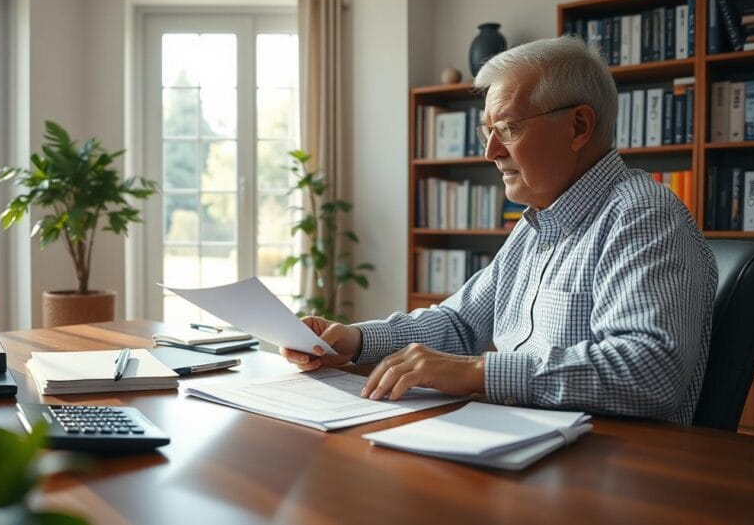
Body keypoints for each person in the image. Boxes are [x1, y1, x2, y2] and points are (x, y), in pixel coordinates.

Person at [282, 35, 717, 424]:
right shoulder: (536, 226)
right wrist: (357, 340)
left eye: (507, 128)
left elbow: (649, 372)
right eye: (488, 131)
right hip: (527, 442)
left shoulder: (644, 216)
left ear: (579, 126)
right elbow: (459, 323)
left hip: (611, 467)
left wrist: (476, 372)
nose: (490, 151)